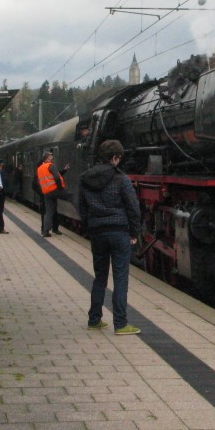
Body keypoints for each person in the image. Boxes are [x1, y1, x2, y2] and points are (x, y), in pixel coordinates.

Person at [78, 139, 142, 335]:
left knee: (100, 277)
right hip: (119, 231)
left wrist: (89, 228)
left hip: (97, 232)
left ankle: (94, 319)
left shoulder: (85, 178)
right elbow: (133, 208)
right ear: (115, 157)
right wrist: (134, 232)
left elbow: (82, 208)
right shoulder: (121, 179)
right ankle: (121, 324)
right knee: (120, 277)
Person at [36, 150, 66, 237]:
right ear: (47, 159)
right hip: (54, 190)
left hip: (46, 192)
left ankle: (45, 231)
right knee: (70, 197)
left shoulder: (39, 168)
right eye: (51, 157)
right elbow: (56, 176)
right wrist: (60, 187)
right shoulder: (50, 166)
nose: (52, 159)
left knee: (49, 212)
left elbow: (39, 182)